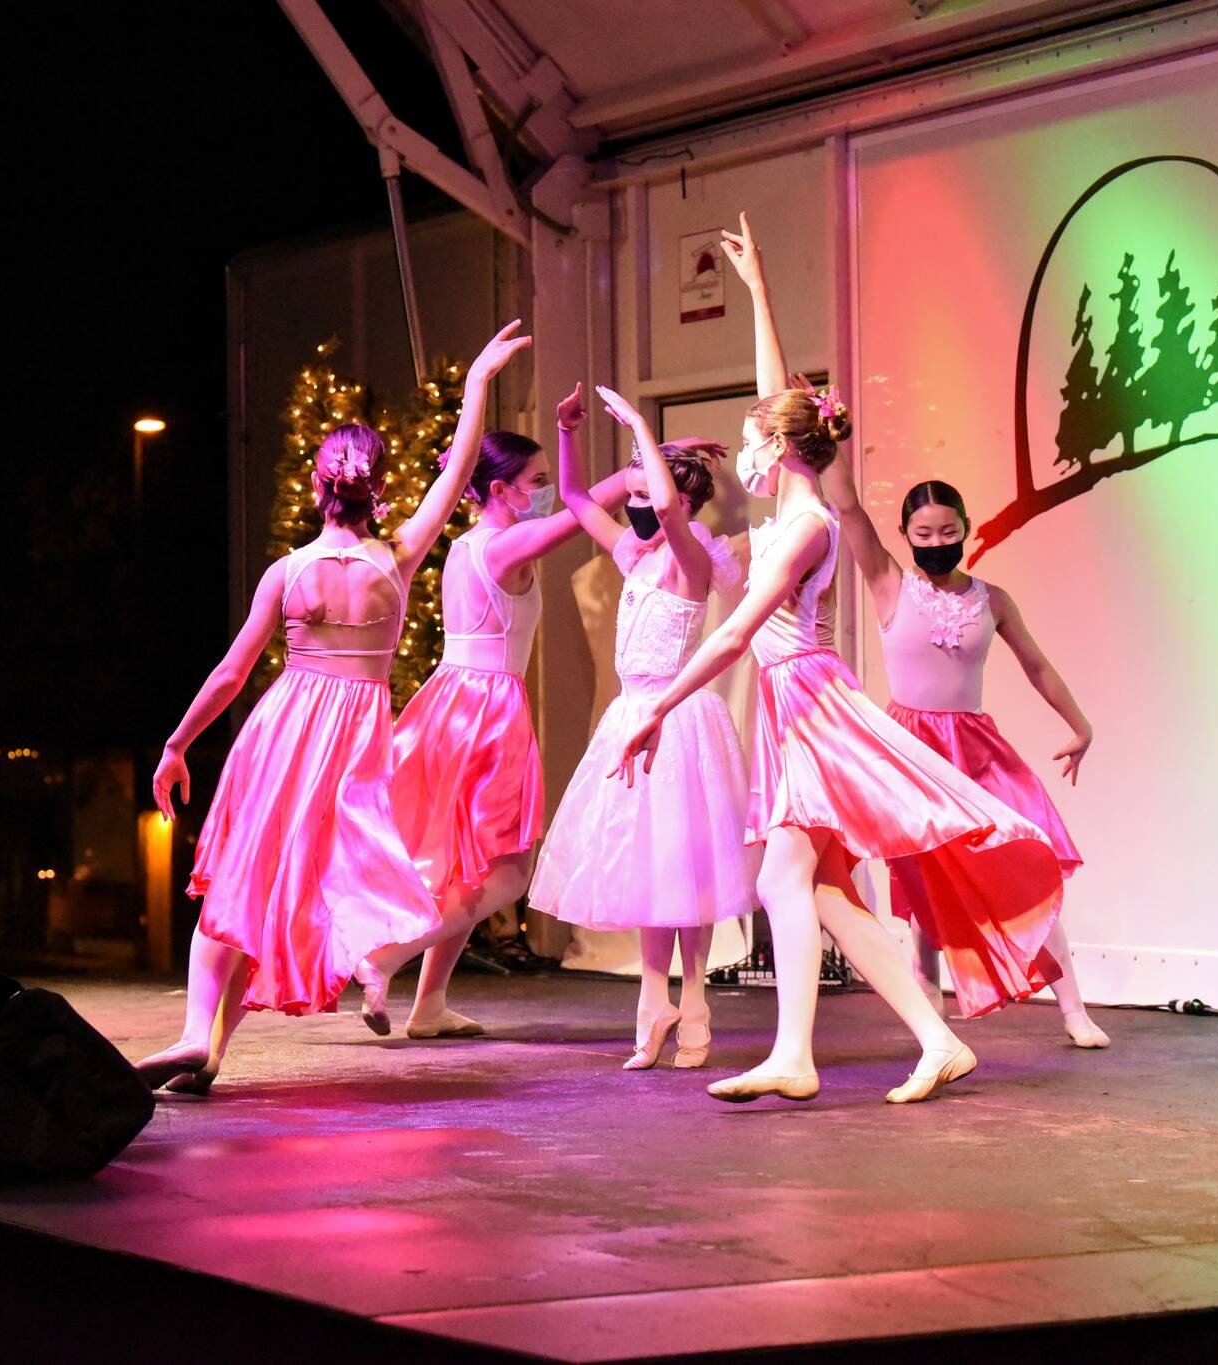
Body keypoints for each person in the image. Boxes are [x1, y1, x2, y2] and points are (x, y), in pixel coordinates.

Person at [613, 215, 1068, 1104]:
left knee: (791, 875)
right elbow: (778, 392)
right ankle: (913, 1038)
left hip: (811, 707)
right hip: (795, 704)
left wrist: (657, 707)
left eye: (754, 436)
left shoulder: (808, 523)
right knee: (812, 883)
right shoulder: (792, 503)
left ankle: (803, 1052)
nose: (741, 445)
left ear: (781, 449)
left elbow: (737, 632)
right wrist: (759, 293)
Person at [135, 321, 533, 1092]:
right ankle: (210, 1048)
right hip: (352, 743)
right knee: (297, 885)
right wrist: (478, 382)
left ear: (321, 488)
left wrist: (177, 743)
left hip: (284, 729)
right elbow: (455, 476)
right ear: (377, 487)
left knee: (245, 882)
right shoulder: (398, 556)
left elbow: (229, 672)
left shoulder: (289, 571)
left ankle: (196, 1033)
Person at [825, 463, 1106, 1044]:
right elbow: (849, 508)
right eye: (922, 534)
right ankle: (930, 1019)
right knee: (923, 881)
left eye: (947, 532)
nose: (935, 543)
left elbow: (1036, 665)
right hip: (909, 752)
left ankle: (1074, 1009)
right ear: (904, 535)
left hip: (975, 748)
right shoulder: (888, 584)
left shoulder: (992, 599)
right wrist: (828, 444)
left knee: (1025, 861)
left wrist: (1079, 724)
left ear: (966, 530)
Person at [381, 387, 629, 1039]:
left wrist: (569, 438)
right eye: (536, 482)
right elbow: (573, 519)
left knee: (465, 863)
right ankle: (388, 955)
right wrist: (628, 476)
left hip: (447, 700)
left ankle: (428, 1003)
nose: (546, 491)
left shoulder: (466, 545)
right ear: (500, 491)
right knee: (510, 870)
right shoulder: (500, 548)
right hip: (488, 709)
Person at [527, 383, 755, 1070]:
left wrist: (637, 426)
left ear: (684, 505)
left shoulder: (691, 560)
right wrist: (568, 434)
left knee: (689, 865)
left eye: (646, 492)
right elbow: (573, 502)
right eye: (631, 493)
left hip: (679, 719)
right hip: (631, 716)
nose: (635, 505)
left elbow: (661, 503)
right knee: (652, 866)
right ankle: (654, 998)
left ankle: (695, 997)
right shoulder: (634, 554)